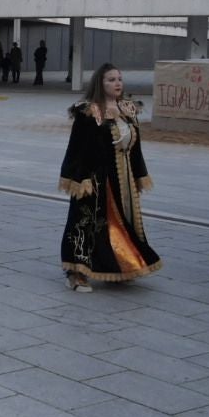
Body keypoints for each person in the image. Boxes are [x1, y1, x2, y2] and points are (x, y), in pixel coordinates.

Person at [58, 64, 161, 292]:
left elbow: (136, 147)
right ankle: (76, 272)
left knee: (120, 224)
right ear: (100, 84)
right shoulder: (90, 111)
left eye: (119, 79)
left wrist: (139, 175)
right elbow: (78, 148)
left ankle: (119, 265)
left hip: (122, 179)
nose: (117, 83)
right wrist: (79, 178)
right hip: (95, 178)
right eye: (111, 80)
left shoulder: (128, 109)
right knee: (85, 223)